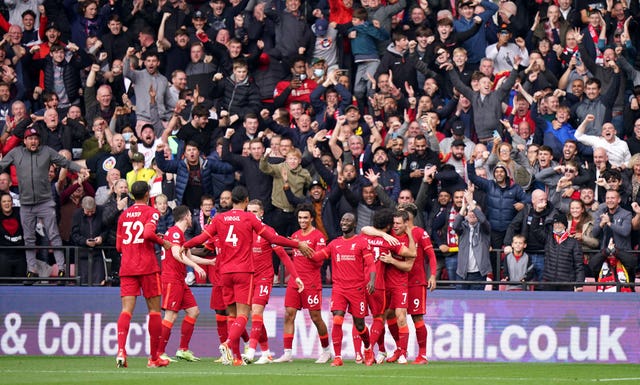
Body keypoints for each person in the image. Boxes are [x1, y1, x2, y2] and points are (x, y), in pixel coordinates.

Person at [180, 186, 313, 366]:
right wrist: (297, 244)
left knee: (232, 316)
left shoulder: (219, 218)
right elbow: (274, 239)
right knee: (243, 315)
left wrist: (185, 244)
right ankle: (227, 344)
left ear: (232, 200)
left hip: (224, 273)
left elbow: (202, 238)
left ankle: (236, 358)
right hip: (243, 272)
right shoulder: (249, 218)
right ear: (245, 200)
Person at [0, 128, 89, 280]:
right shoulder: (16, 153)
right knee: (28, 238)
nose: (33, 141)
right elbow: (2, 165)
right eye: (30, 138)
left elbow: (65, 162)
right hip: (26, 203)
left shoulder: (47, 151)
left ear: (39, 140)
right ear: (25, 141)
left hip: (45, 202)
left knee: (54, 235)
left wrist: (80, 169)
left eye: (36, 138)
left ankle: (61, 268)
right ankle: (32, 269)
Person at [114, 181, 173, 368]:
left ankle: (121, 351)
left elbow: (118, 247)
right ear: (148, 194)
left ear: (131, 195)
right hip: (147, 266)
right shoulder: (151, 212)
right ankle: (154, 358)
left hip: (128, 267)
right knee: (155, 311)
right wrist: (162, 242)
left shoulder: (123, 216)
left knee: (126, 310)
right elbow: (148, 233)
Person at [242, 200, 303, 365]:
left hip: (264, 277)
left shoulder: (267, 231)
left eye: (254, 211)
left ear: (261, 213)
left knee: (256, 311)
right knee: (253, 316)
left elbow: (283, 255)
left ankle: (251, 350)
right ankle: (266, 353)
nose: (251, 215)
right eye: (248, 211)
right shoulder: (244, 232)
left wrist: (296, 276)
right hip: (248, 278)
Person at [311, 212, 376, 367]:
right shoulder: (334, 244)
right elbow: (318, 256)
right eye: (343, 219)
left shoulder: (361, 242)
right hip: (339, 288)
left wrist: (372, 281)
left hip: (357, 288)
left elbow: (371, 264)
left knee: (360, 325)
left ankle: (367, 348)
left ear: (354, 224)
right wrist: (301, 248)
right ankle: (338, 357)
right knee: (337, 319)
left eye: (348, 220)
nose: (344, 222)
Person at [157, 205, 215, 363]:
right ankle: (159, 352)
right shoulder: (175, 233)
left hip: (179, 280)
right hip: (171, 279)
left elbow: (188, 255)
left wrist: (209, 262)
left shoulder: (179, 235)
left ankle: (182, 349)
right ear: (185, 217)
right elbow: (176, 254)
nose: (192, 218)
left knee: (193, 311)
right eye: (190, 215)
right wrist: (195, 267)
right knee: (171, 315)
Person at [274, 203, 331, 364]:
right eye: (300, 217)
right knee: (288, 315)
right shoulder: (295, 235)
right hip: (295, 281)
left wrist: (307, 251)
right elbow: (291, 259)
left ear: (312, 218)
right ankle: (287, 353)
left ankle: (326, 351)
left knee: (315, 317)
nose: (302, 220)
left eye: (305, 217)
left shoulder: (318, 236)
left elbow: (319, 260)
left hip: (311, 282)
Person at [453, 190, 492, 290]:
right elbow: (455, 225)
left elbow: (483, 220)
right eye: (470, 211)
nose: (472, 214)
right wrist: (463, 207)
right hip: (462, 273)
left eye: (475, 212)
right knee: (460, 303)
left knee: (476, 303)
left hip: (479, 274)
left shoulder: (484, 228)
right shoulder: (463, 227)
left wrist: (471, 203)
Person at [542, 213, 584, 291]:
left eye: (560, 223)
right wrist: (538, 213)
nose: (557, 225)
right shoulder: (548, 239)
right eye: (555, 223)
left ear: (565, 226)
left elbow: (579, 265)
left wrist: (579, 284)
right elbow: (536, 230)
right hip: (549, 282)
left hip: (567, 284)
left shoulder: (574, 242)